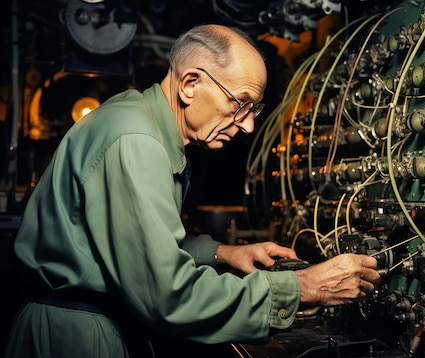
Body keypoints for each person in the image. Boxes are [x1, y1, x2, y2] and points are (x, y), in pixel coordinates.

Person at [4, 24, 380, 357]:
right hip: (77, 336)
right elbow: (168, 296)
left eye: (254, 110)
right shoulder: (136, 140)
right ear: (190, 84)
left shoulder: (139, 118)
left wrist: (222, 252)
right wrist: (301, 287)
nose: (248, 126)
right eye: (241, 104)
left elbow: (134, 244)